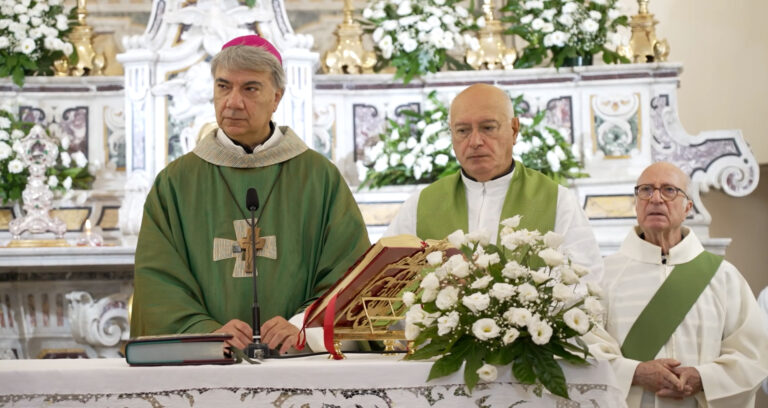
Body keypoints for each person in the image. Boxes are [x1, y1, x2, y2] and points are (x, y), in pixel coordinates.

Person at [130, 35, 371, 354]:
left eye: (250, 88)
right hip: (207, 367)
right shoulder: (176, 183)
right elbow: (158, 283)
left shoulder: (318, 177)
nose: (232, 102)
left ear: (277, 97)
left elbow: (350, 274)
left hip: (300, 365)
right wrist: (207, 334)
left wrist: (301, 327)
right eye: (223, 86)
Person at [385, 83, 603, 280]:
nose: (475, 142)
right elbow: (386, 281)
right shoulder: (421, 205)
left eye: (488, 128)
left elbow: (586, 280)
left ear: (514, 129)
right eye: (462, 131)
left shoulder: (556, 200)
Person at [596, 161, 768, 407]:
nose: (655, 198)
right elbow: (585, 348)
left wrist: (704, 379)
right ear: (636, 204)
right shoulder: (604, 275)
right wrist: (635, 372)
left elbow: (753, 354)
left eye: (668, 190)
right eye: (645, 190)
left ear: (687, 207)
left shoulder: (724, 277)